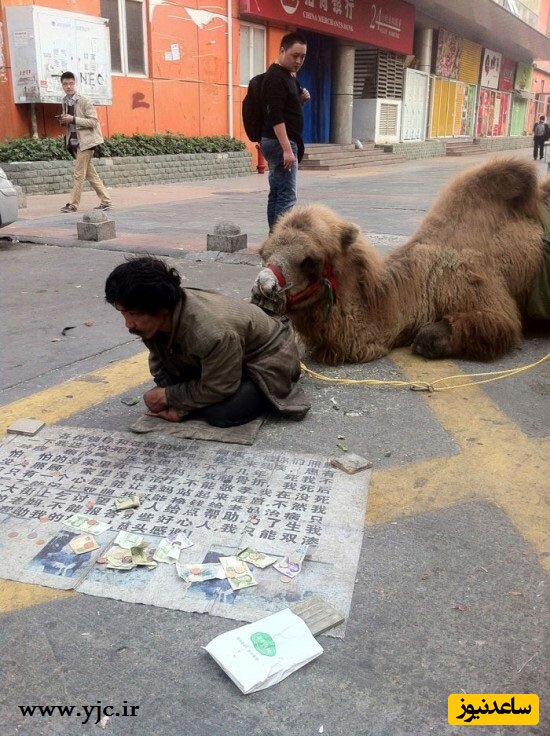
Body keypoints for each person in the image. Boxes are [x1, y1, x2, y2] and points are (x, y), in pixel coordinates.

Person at [105, 256, 311, 427]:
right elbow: (160, 360)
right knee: (171, 387)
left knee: (220, 414)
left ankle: (262, 394)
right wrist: (168, 388)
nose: (128, 324)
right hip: (228, 353)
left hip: (268, 357)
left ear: (162, 309)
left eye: (133, 313)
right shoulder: (159, 317)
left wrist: (174, 399)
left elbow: (221, 386)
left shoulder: (211, 331)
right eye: (123, 313)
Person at [260, 32, 310, 232]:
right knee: (287, 195)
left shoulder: (288, 76)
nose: (298, 61)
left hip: (278, 141)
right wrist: (287, 150)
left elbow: (288, 111)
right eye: (294, 55)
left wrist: (301, 101)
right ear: (282, 51)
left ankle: (274, 238)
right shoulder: (275, 77)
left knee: (278, 192)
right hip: (280, 142)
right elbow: (275, 116)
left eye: (302, 57)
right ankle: (280, 241)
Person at [58, 71, 112, 213]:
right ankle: (106, 200)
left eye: (71, 83)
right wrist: (64, 121)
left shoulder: (85, 101)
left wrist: (73, 119)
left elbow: (93, 122)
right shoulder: (64, 100)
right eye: (65, 84)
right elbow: (69, 122)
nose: (68, 86)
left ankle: (73, 204)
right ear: (62, 85)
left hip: (86, 142)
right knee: (90, 174)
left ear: (75, 84)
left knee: (78, 174)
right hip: (74, 142)